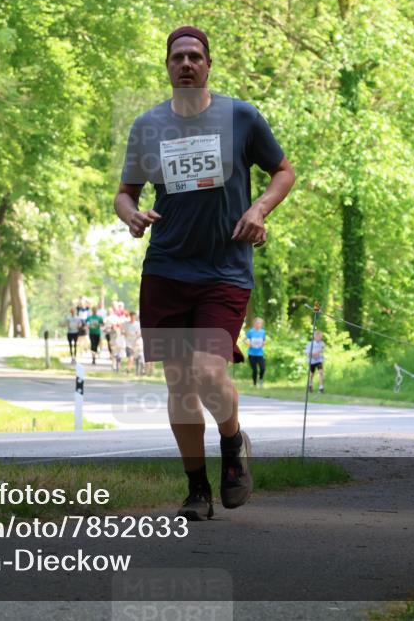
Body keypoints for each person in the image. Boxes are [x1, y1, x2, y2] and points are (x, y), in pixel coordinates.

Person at [115, 25, 295, 521]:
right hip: (168, 269)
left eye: (196, 56)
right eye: (178, 57)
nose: (187, 64)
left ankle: (233, 443)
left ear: (209, 64)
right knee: (180, 383)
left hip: (225, 268)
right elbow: (125, 192)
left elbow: (284, 171)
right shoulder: (148, 126)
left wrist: (259, 209)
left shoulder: (240, 116)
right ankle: (197, 489)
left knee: (209, 373)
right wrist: (129, 213)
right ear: (168, 67)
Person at [243, 317, 267, 388]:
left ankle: (261, 379)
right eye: (257, 323)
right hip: (252, 354)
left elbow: (264, 340)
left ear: (261, 324)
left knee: (262, 368)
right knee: (255, 370)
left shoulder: (263, 332)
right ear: (254, 324)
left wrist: (264, 343)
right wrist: (248, 344)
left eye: (259, 323)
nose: (258, 324)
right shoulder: (251, 332)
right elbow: (244, 340)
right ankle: (254, 384)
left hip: (260, 354)